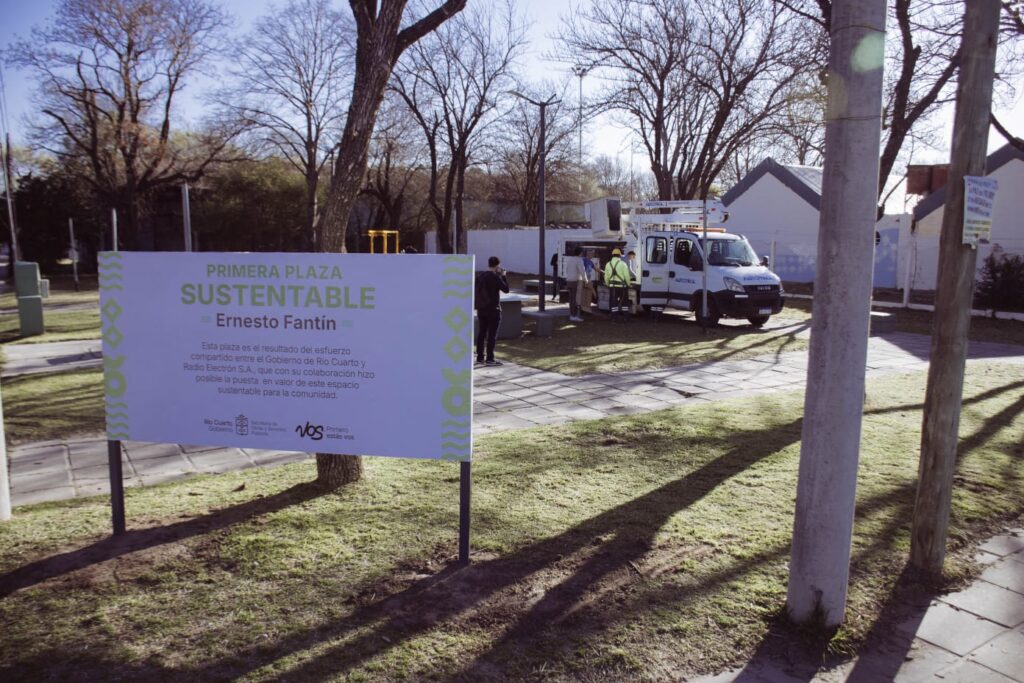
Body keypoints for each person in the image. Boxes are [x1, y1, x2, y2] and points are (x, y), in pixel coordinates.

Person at [475, 256, 510, 366]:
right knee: (492, 335)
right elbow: (506, 290)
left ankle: (480, 357)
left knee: (482, 333)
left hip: (482, 308)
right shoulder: (495, 277)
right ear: (497, 265)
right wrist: (503, 276)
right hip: (493, 309)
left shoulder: (480, 276)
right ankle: (490, 358)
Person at [604, 248, 632, 321]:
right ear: (620, 255)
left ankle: (614, 318)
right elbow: (627, 276)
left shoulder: (608, 264)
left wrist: (607, 284)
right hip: (622, 287)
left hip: (612, 287)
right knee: (624, 302)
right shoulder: (623, 264)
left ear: (612, 255)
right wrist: (628, 284)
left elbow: (606, 276)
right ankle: (625, 317)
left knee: (614, 302)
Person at [564, 247, 589, 323]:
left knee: (571, 298)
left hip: (569, 280)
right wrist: (586, 280)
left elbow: (567, 269)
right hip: (575, 281)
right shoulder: (579, 260)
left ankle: (571, 314)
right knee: (575, 299)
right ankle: (574, 316)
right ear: (580, 253)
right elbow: (582, 270)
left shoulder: (570, 259)